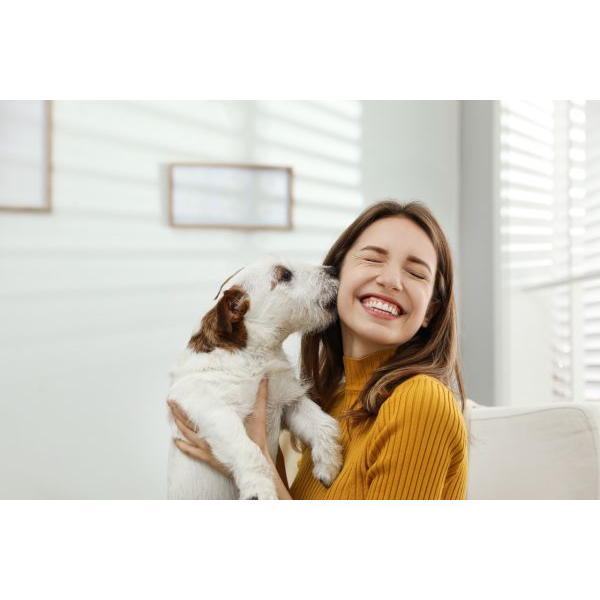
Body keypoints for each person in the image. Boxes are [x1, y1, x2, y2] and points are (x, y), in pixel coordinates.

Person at [168, 200, 469, 500]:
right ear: (339, 272)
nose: (390, 280)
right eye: (373, 259)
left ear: (431, 310)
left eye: (416, 273)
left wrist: (256, 458)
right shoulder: (334, 401)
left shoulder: (421, 402)